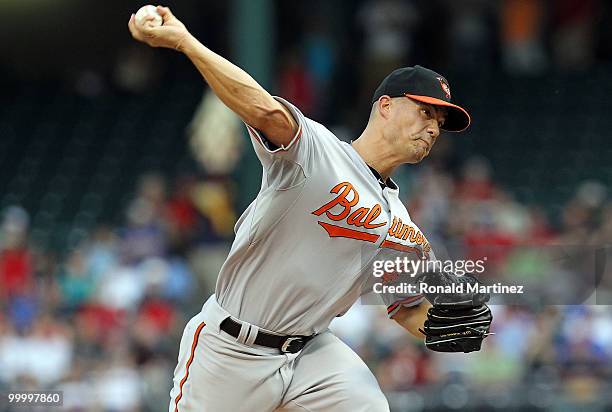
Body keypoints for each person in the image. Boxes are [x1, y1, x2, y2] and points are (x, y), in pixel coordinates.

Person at [129, 6, 476, 412]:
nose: (433, 127)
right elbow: (263, 110)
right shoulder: (316, 151)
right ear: (384, 106)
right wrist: (185, 42)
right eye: (425, 111)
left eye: (440, 121)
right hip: (232, 349)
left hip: (311, 354)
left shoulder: (402, 225)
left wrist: (443, 331)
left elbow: (406, 307)